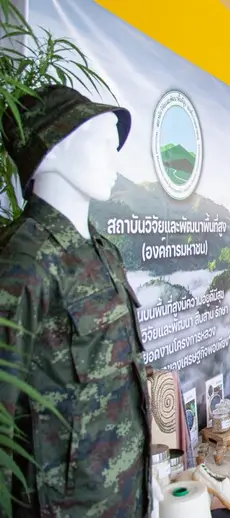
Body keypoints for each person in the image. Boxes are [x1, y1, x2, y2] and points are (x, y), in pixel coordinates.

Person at [0, 86, 151, 516]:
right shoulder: (25, 261)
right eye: (102, 143)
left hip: (125, 495)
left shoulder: (102, 250)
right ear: (54, 150)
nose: (114, 161)